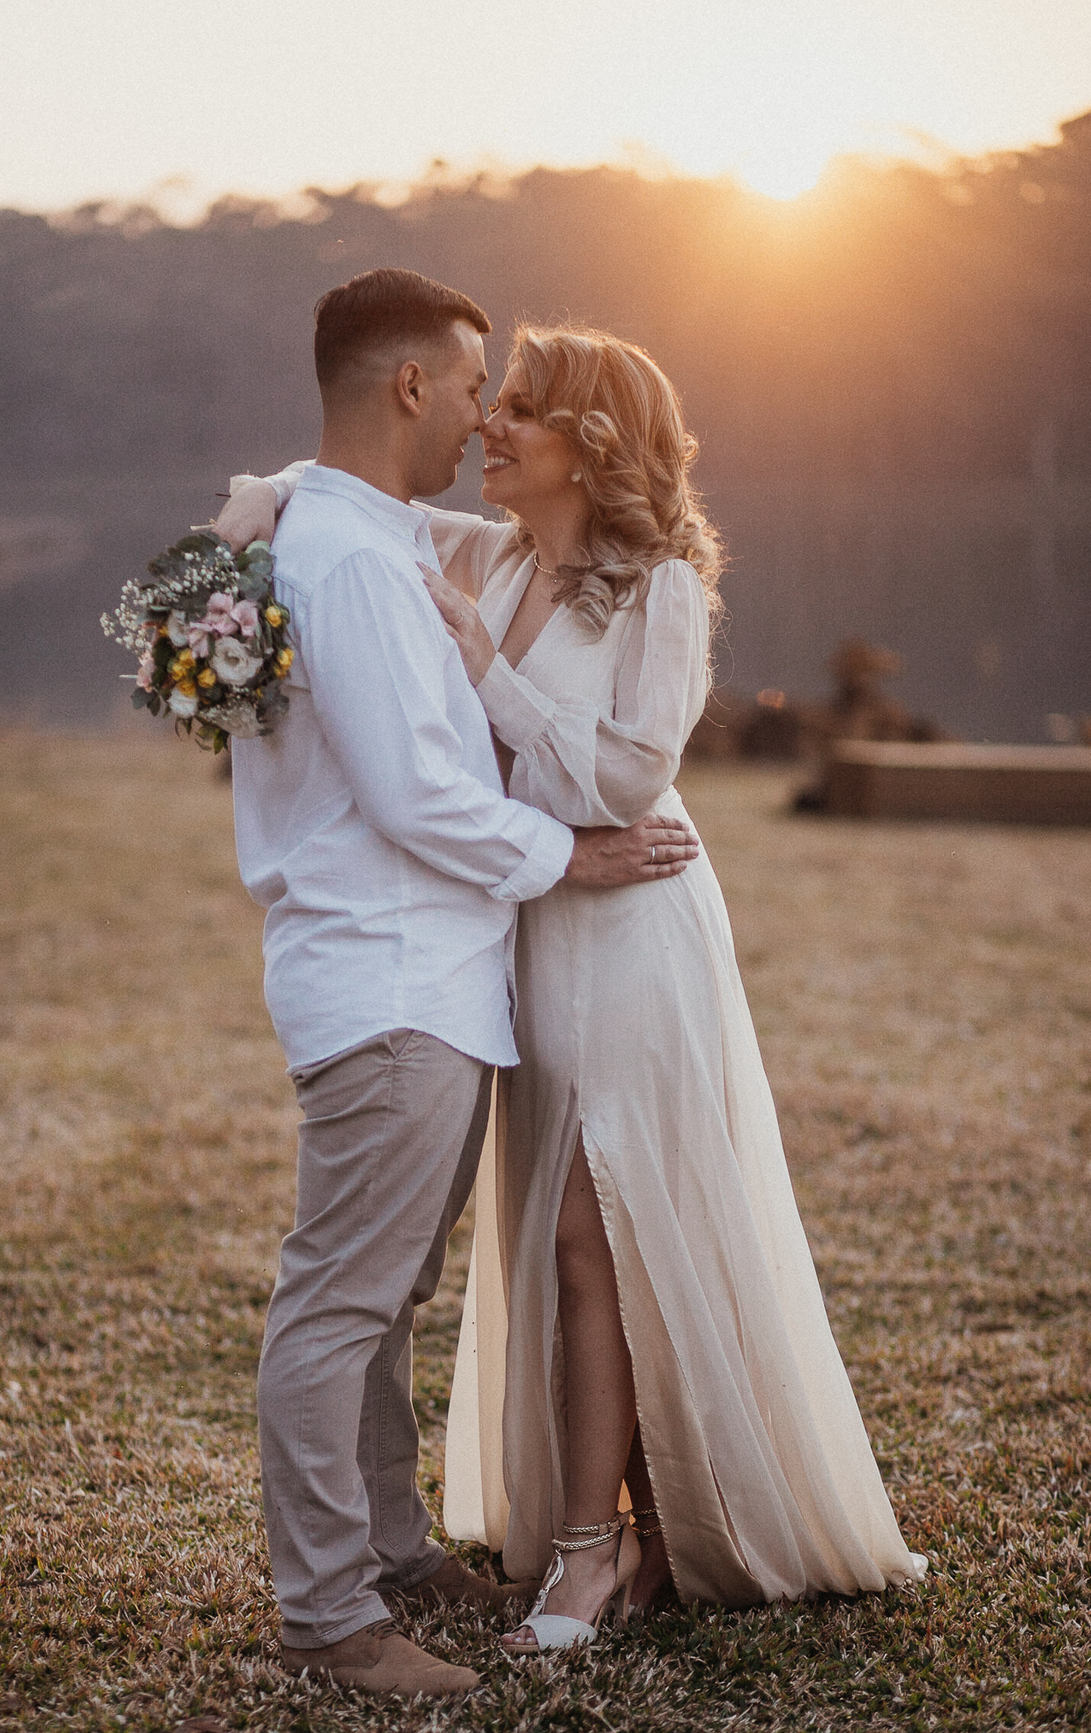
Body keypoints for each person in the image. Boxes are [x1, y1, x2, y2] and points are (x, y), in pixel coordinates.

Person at [225, 319, 926, 1659]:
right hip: (528, 924)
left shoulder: (660, 591)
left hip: (629, 919)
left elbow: (625, 779)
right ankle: (648, 1528)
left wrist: (490, 677)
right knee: (575, 1235)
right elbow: (344, 497)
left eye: (521, 410)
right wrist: (242, 516)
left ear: (591, 445)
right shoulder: (486, 555)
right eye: (486, 400)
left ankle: (593, 1551)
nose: (488, 425)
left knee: (589, 1235)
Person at [216, 272, 697, 1699]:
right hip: (390, 980)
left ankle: (392, 1552)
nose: (485, 416)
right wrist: (572, 857)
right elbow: (419, 792)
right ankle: (330, 1619)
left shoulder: (352, 532)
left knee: (387, 1295)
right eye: (477, 385)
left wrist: (260, 494)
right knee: (341, 1303)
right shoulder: (354, 565)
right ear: (411, 385)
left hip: (427, 976)